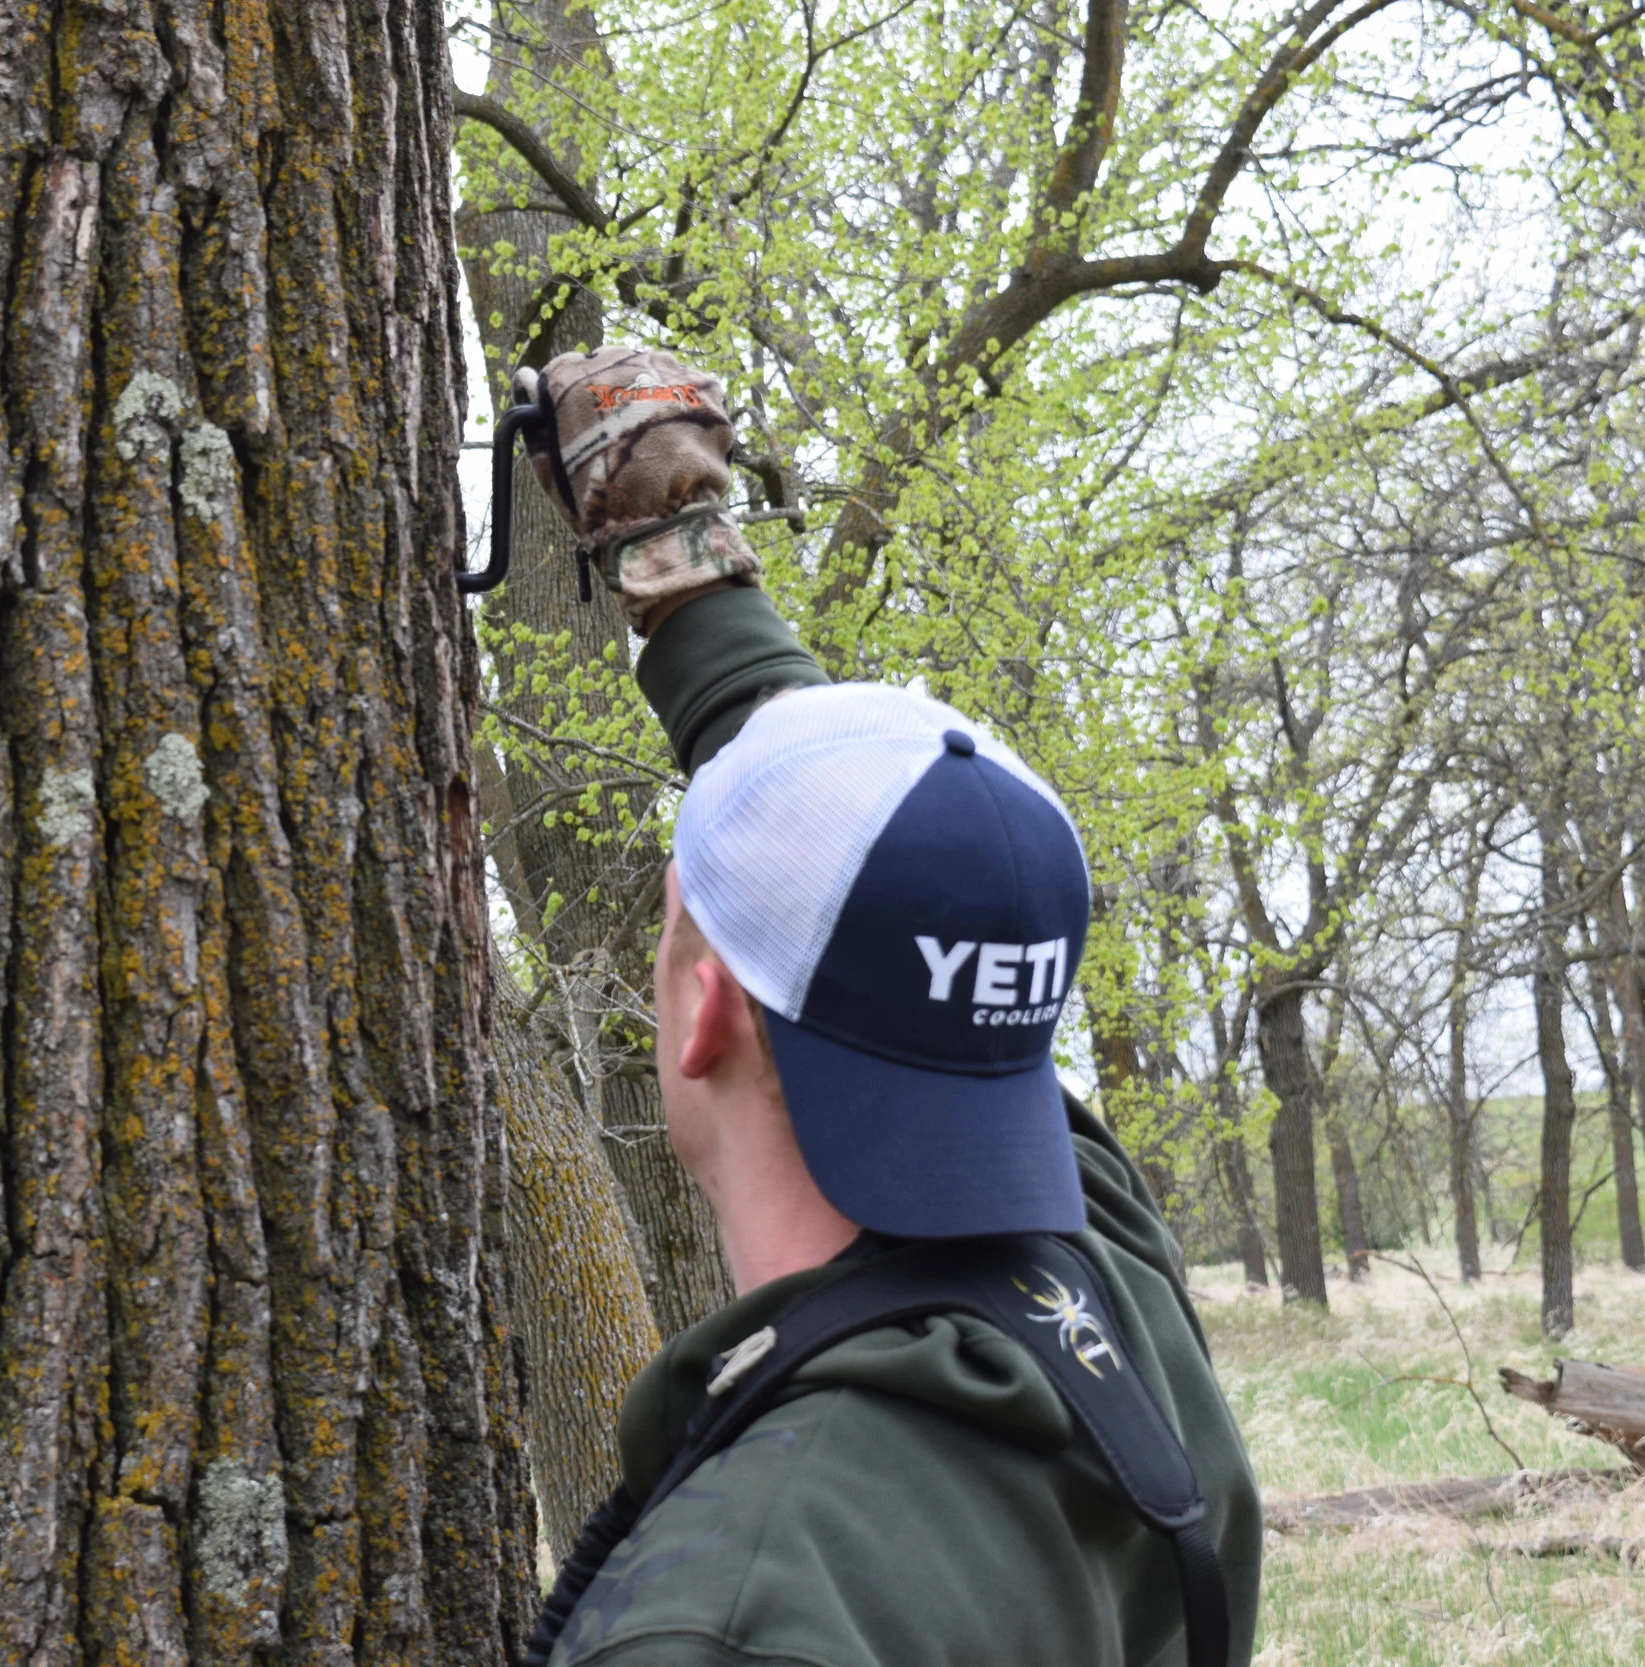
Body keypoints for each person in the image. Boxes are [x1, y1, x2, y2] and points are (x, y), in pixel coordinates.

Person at [505, 347, 1264, 1666]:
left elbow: (853, 864)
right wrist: (682, 565)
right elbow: (884, 867)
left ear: (702, 1007)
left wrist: (671, 545)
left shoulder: (728, 1621)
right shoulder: (1113, 1289)